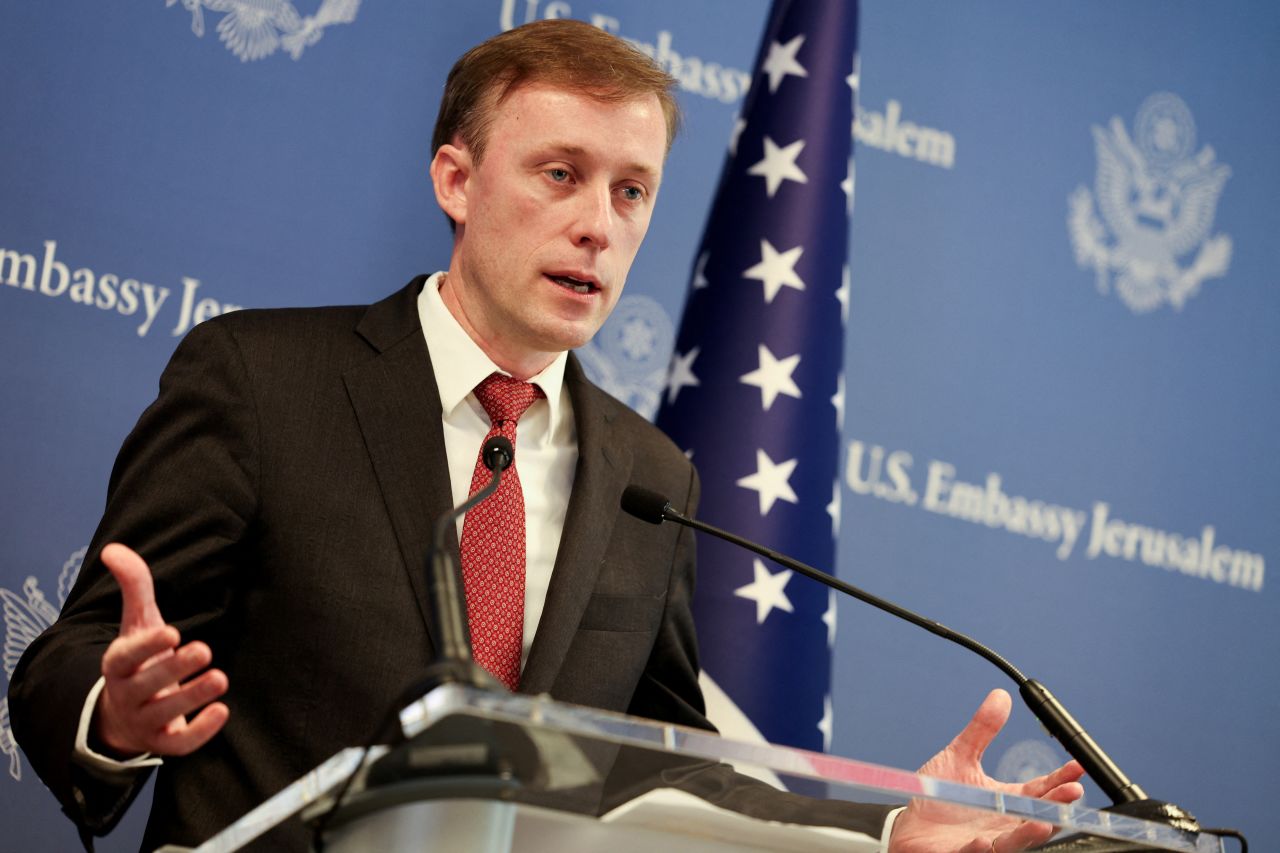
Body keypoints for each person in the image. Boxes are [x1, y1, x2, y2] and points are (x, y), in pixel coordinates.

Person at [9, 18, 1083, 853]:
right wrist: (118, 707)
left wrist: (890, 826)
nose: (598, 225)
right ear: (456, 180)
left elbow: (663, 766)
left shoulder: (647, 475)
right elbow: (71, 659)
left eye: (631, 191)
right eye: (560, 174)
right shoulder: (260, 379)